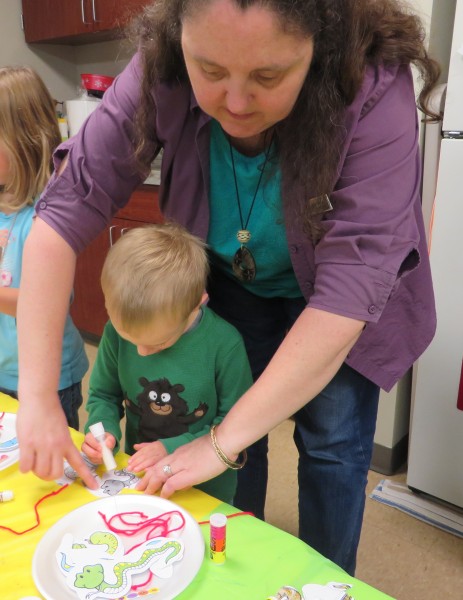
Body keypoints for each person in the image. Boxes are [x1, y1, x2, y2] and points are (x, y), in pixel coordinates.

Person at [16, 0, 441, 575]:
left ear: (320, 48)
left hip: (337, 303)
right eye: (209, 71)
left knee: (332, 447)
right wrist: (39, 397)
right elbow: (65, 211)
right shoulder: (159, 64)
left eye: (268, 76)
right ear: (180, 41)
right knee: (239, 435)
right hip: (234, 280)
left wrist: (215, 444)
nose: (235, 104)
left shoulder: (368, 78)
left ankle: (326, 581)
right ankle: (239, 563)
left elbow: (346, 294)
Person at [81, 222, 252, 503]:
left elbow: (236, 423)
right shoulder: (115, 332)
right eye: (129, 337)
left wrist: (171, 447)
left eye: (158, 343)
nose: (142, 351)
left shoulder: (225, 345)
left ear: (198, 304)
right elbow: (103, 395)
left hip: (206, 488)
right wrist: (103, 430)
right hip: (141, 480)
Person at [0, 66, 88, 430]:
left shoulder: (49, 214)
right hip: (4, 369)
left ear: (23, 140)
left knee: (50, 478)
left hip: (46, 378)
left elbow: (46, 302)